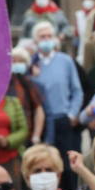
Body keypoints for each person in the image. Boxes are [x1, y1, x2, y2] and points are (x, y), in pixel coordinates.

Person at [31, 22, 83, 162]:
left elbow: (77, 90)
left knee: (66, 163)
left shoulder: (65, 61)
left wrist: (72, 113)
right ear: (35, 40)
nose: (46, 39)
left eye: (49, 36)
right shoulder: (31, 63)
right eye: (42, 37)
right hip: (41, 121)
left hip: (62, 119)